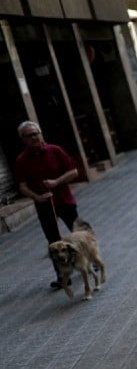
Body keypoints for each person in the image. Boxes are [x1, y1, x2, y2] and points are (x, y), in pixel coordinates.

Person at [14, 121, 81, 289]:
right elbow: (22, 186)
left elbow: (74, 172)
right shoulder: (22, 160)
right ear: (23, 139)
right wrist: (37, 197)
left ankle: (87, 261)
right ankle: (62, 275)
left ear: (40, 133)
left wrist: (56, 182)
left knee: (78, 233)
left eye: (36, 133)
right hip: (44, 205)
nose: (34, 137)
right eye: (29, 135)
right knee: (53, 240)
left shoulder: (55, 150)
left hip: (64, 199)